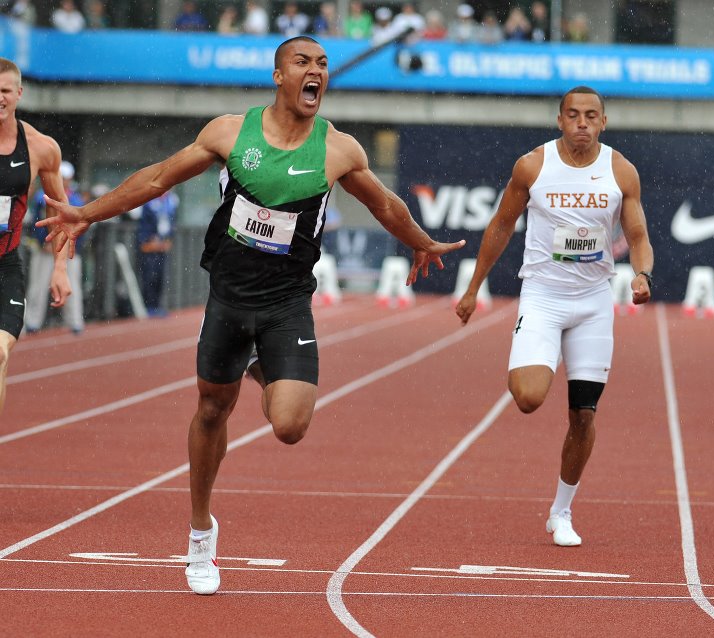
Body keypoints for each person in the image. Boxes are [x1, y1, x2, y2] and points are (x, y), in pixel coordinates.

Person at [38, 36, 465, 595]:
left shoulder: (338, 150)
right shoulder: (230, 133)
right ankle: (200, 534)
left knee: (289, 426)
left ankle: (262, 365)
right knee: (212, 409)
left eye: (322, 65)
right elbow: (157, 178)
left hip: (287, 303)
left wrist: (422, 242)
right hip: (228, 298)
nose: (316, 73)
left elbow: (384, 203)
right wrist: (86, 214)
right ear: (278, 76)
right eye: (302, 63)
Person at [455, 86, 653, 547]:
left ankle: (561, 512)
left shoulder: (621, 171)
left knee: (583, 415)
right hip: (543, 296)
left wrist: (642, 274)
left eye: (590, 116)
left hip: (593, 302)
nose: (582, 123)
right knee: (527, 397)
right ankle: (537, 357)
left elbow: (638, 232)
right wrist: (472, 288)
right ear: (559, 120)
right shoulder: (533, 166)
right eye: (573, 115)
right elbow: (501, 224)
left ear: (603, 122)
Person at [0, 57, 70, 416]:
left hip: (5, 268)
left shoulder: (41, 148)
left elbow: (60, 213)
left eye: (5, 90)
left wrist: (60, 268)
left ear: (19, 94)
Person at [24, 160, 85, 335]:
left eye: (66, 178)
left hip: (69, 251)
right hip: (45, 250)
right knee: (38, 285)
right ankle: (32, 322)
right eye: (61, 177)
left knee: (72, 286)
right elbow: (35, 222)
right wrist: (42, 242)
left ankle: (74, 322)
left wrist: (72, 246)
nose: (63, 181)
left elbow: (81, 226)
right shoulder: (42, 198)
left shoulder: (75, 200)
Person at [136, 189, 178, 317]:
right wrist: (147, 240)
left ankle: (156, 305)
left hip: (162, 245)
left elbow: (172, 222)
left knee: (160, 277)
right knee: (149, 276)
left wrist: (168, 239)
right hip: (150, 245)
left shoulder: (172, 201)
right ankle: (148, 306)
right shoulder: (149, 201)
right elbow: (143, 225)